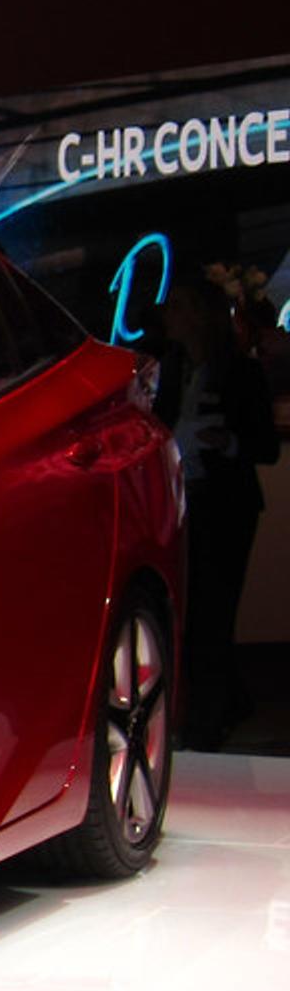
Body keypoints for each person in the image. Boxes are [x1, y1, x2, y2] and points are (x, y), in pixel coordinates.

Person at [160, 274, 280, 749]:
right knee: (198, 610)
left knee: (212, 609)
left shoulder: (240, 373)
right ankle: (226, 704)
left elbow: (265, 448)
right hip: (186, 502)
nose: (166, 314)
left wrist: (226, 442)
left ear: (197, 316)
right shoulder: (170, 368)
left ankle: (205, 726)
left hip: (227, 507)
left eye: (176, 306)